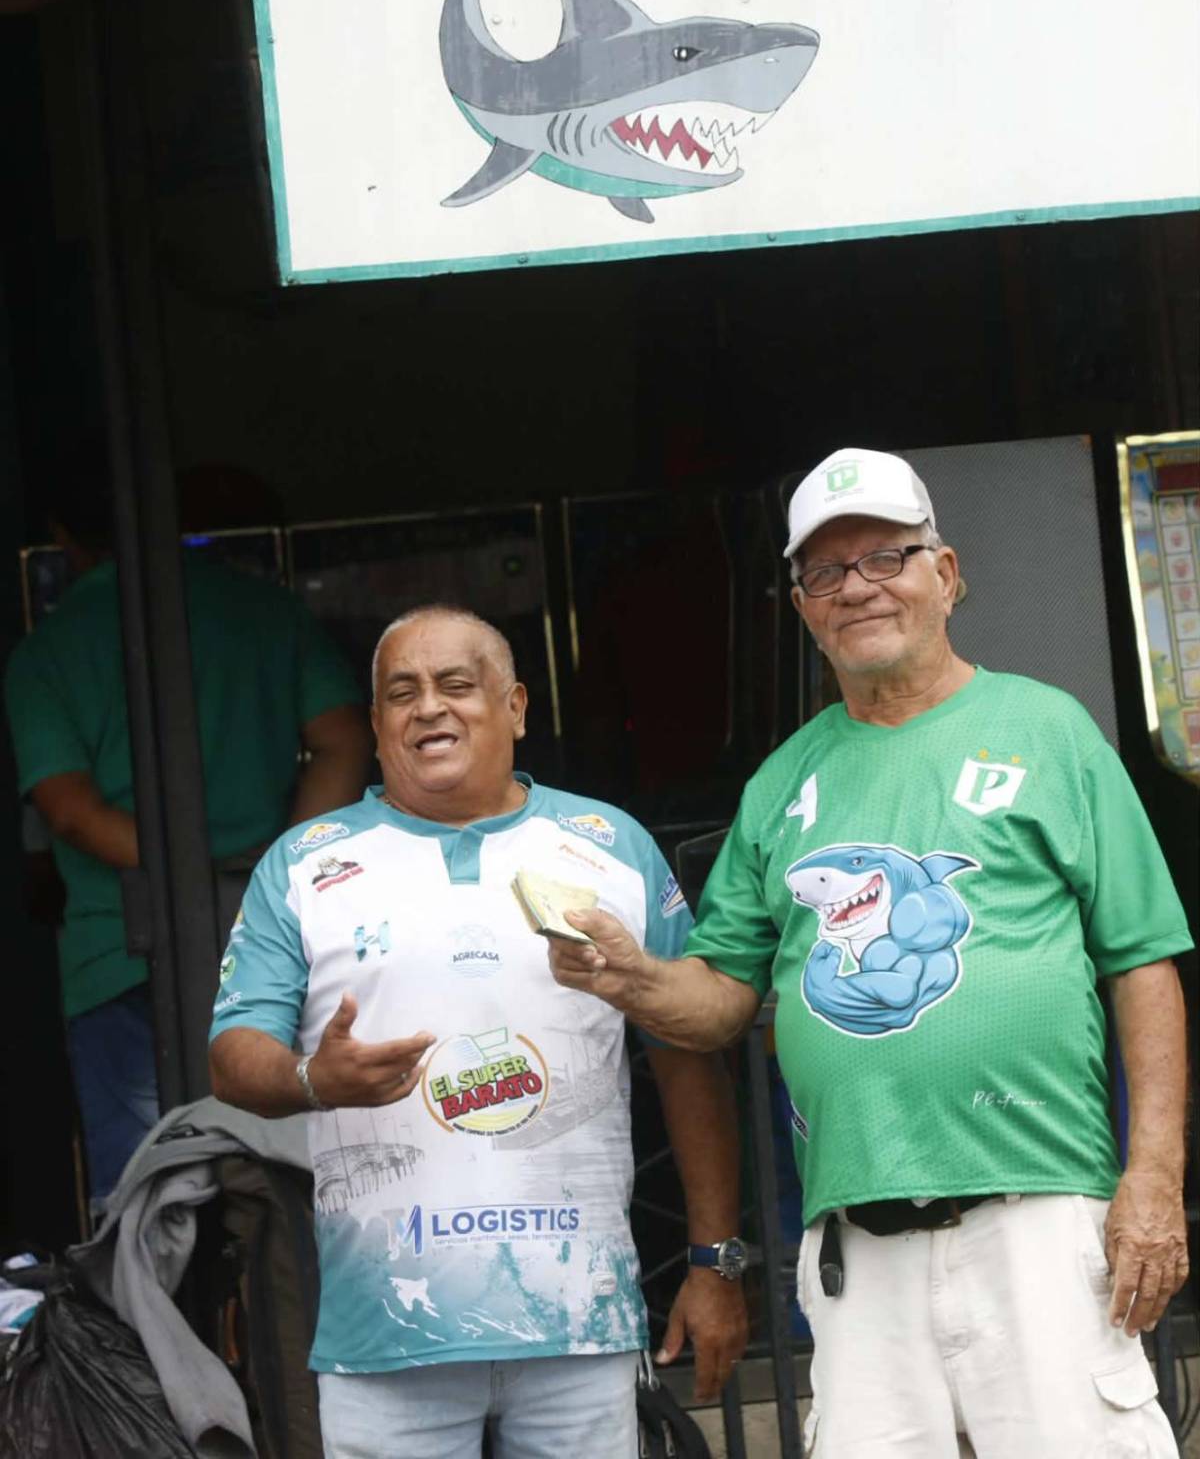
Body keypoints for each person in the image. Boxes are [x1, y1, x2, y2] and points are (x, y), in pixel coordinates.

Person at [549, 447, 1193, 1458]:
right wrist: (630, 979)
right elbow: (721, 999)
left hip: (1039, 1211)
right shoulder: (780, 785)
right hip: (857, 1248)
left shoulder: (1048, 730)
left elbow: (1141, 962)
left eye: (886, 557)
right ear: (802, 606)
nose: (857, 587)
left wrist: (1153, 1178)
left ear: (947, 573)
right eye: (826, 570)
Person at [209, 604, 748, 1459]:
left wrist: (715, 1262)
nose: (429, 707)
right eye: (402, 693)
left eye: (456, 685)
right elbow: (234, 1059)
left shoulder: (610, 846)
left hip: (579, 1325)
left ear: (517, 706)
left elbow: (689, 1058)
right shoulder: (304, 865)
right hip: (387, 1333)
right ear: (376, 724)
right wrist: (314, 1080)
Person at [4, 458, 372, 1213]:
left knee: (148, 1201)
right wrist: (276, 873)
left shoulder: (48, 651)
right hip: (275, 939)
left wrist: (186, 878)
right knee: (290, 1184)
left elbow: (67, 809)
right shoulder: (263, 609)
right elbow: (343, 739)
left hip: (119, 951)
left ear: (62, 536)